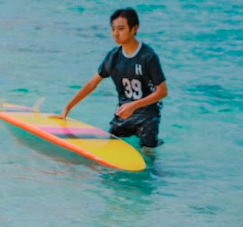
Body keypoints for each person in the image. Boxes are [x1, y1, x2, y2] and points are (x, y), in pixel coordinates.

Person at [55, 8, 168, 150]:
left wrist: (134, 105)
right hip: (123, 114)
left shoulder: (148, 57)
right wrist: (67, 108)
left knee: (147, 155)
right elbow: (92, 83)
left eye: (120, 29)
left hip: (147, 116)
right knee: (110, 148)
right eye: (113, 29)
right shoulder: (113, 57)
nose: (115, 33)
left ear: (134, 29)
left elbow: (162, 91)